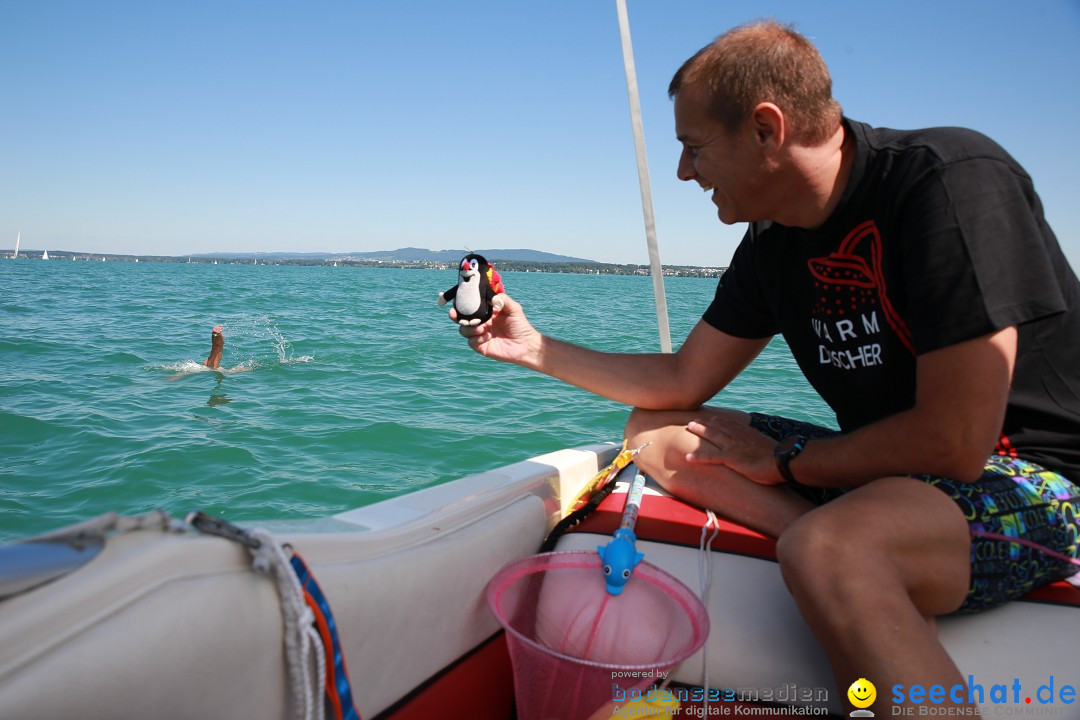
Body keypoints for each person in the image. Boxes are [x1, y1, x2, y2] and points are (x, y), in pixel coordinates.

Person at [451, 20, 1080, 714]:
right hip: (887, 476)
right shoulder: (774, 244)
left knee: (831, 549)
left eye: (693, 148)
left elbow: (957, 442)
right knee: (656, 432)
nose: (686, 171)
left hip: (1030, 477)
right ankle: (857, 562)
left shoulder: (949, 182)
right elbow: (679, 383)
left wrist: (785, 463)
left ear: (765, 129)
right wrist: (532, 347)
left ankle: (851, 560)